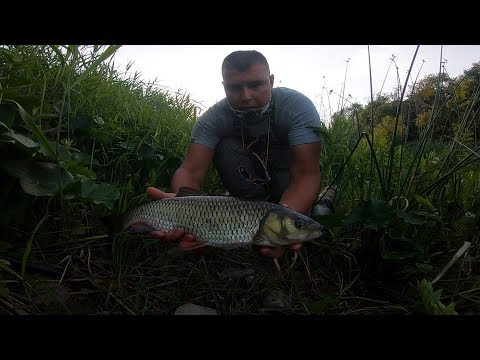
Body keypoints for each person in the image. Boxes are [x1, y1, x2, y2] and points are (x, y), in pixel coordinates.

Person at [146, 50, 324, 258]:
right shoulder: (213, 119)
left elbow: (307, 173)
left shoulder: (297, 107)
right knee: (225, 146)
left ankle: (296, 211)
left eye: (256, 85)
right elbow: (190, 170)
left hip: (287, 179)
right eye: (234, 88)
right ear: (224, 86)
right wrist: (184, 209)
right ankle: (246, 222)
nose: (246, 96)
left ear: (271, 81)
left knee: (289, 219)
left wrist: (281, 225)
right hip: (248, 191)